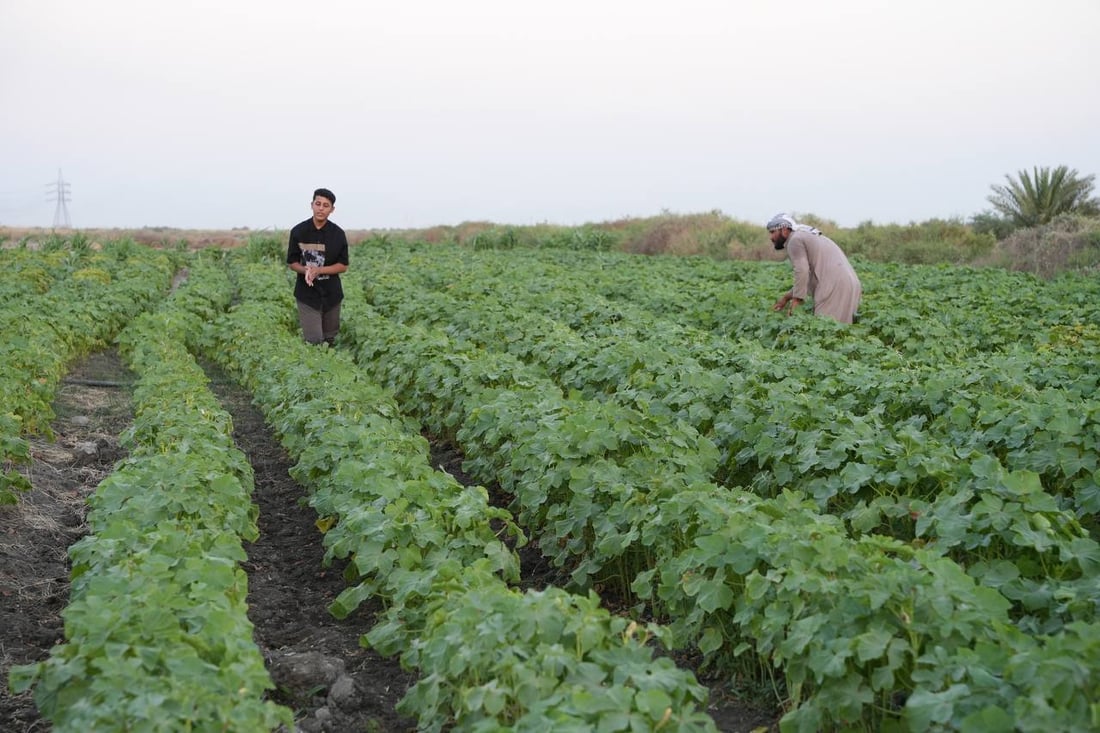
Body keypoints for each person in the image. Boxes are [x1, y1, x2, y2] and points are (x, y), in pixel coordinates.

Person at [767, 213, 861, 324]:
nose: (771, 237)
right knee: (841, 333)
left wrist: (796, 300)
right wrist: (786, 298)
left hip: (834, 287)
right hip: (850, 284)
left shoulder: (794, 240)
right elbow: (808, 277)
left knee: (826, 332)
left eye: (773, 232)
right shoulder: (805, 235)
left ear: (784, 230)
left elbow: (802, 271)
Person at [286, 188, 350, 345]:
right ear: (312, 205)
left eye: (326, 205)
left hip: (332, 294)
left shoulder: (338, 234)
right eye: (318, 204)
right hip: (307, 295)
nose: (321, 208)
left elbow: (343, 265)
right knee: (314, 341)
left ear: (332, 209)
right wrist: (306, 270)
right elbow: (292, 262)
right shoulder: (298, 231)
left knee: (329, 339)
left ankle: (329, 368)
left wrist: (319, 270)